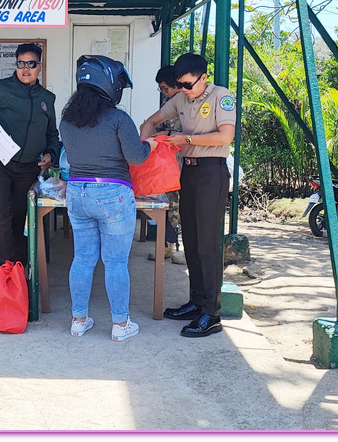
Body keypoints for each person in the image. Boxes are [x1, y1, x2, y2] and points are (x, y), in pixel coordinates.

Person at [60, 55, 157, 341]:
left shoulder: (67, 120)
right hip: (112, 194)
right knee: (115, 263)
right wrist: (149, 143)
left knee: (82, 259)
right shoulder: (118, 119)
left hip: (77, 192)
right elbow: (136, 157)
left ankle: (78, 320)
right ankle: (120, 325)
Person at [139, 53, 236, 338]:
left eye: (189, 84)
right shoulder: (181, 98)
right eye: (180, 84)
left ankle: (212, 313)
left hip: (212, 173)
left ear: (204, 77)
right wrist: (143, 145)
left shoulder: (221, 96)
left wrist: (187, 139)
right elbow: (152, 120)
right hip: (189, 174)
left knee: (207, 244)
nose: (184, 89)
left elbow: (225, 136)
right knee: (191, 242)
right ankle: (196, 302)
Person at [0, 43, 60, 266]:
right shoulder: (0, 89)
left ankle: (18, 269)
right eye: (21, 63)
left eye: (31, 63)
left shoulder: (47, 98)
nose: (26, 68)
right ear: (16, 65)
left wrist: (50, 154)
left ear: (40, 66)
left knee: (19, 218)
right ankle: (7, 269)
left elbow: (51, 134)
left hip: (27, 167)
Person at [150, 65, 184, 264]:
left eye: (165, 88)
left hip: (184, 163)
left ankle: (185, 251)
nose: (164, 92)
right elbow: (161, 124)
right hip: (168, 163)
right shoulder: (168, 102)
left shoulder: (187, 103)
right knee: (168, 204)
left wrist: (167, 134)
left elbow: (190, 133)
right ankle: (166, 247)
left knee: (184, 208)